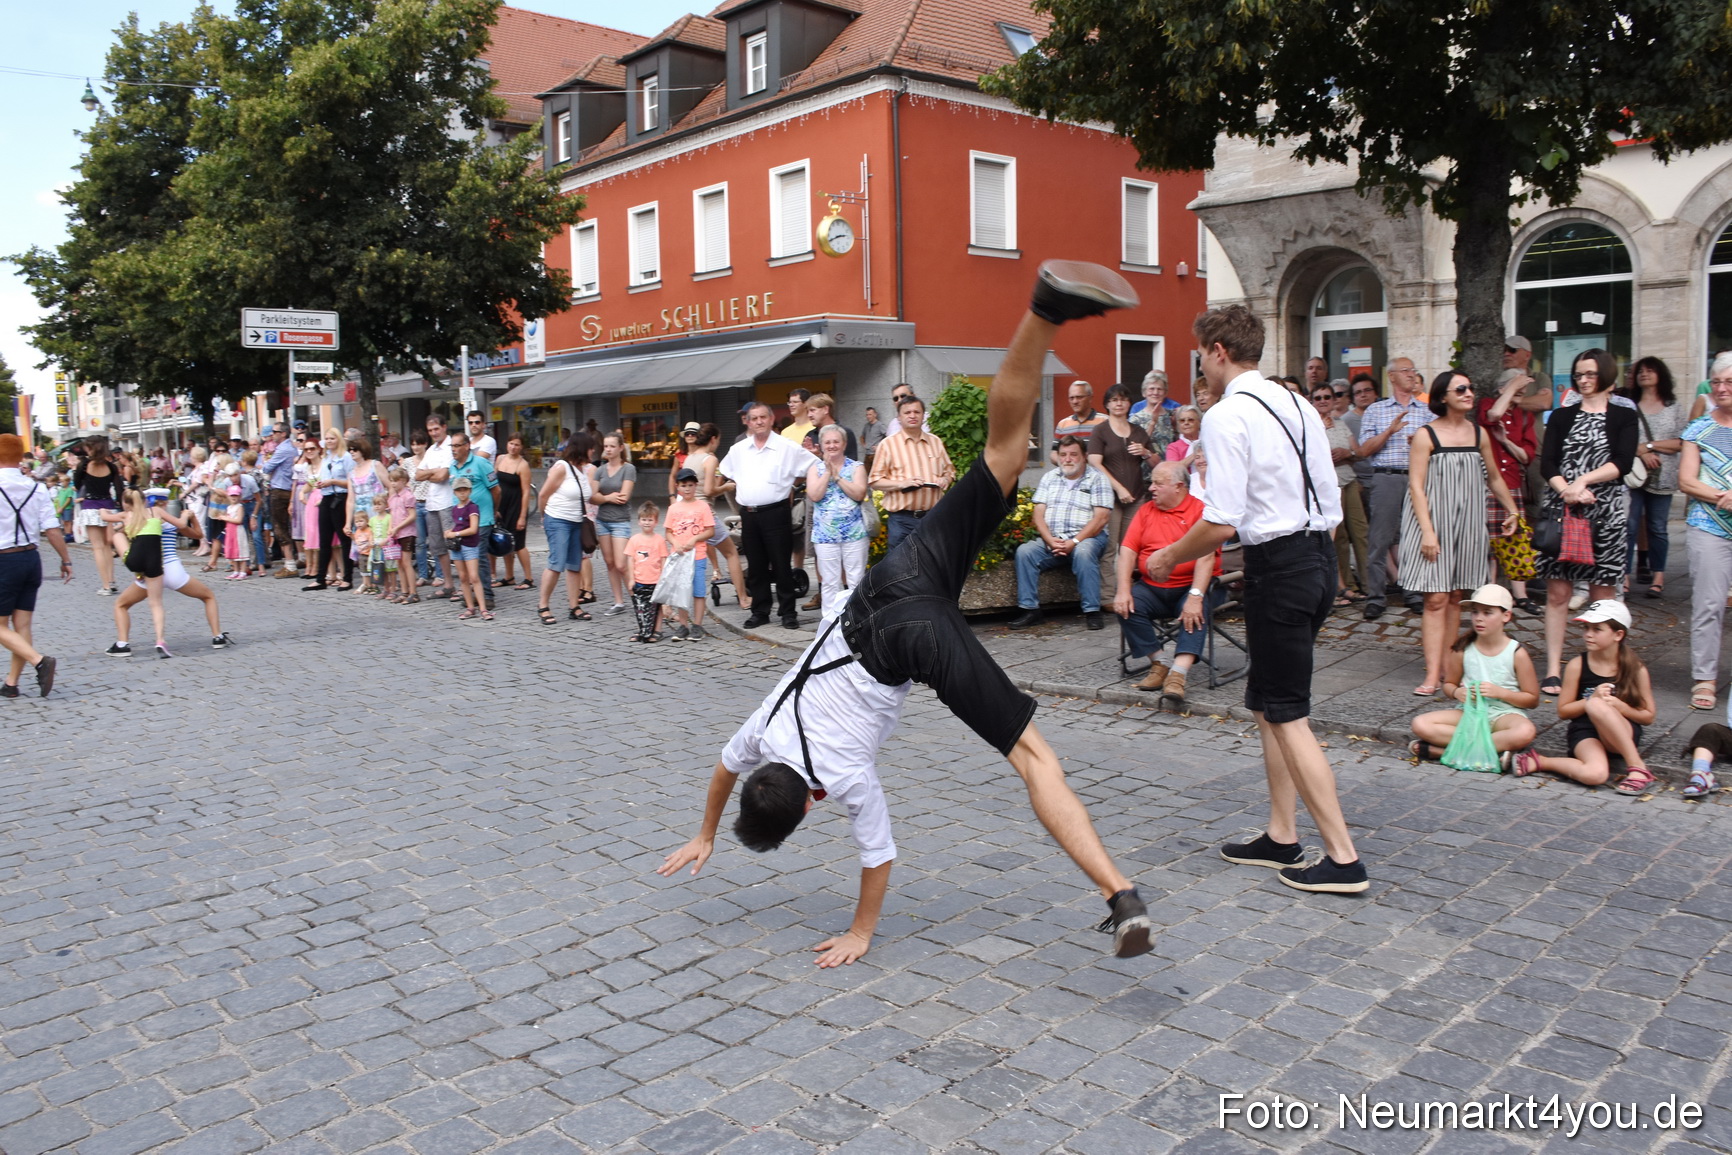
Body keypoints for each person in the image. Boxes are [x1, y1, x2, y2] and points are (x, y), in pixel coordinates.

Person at [658, 259, 1154, 962]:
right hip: (891, 580)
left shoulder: (843, 779)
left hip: (911, 639)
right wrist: (706, 829)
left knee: (1032, 755)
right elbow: (722, 769)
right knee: (1003, 456)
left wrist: (861, 932)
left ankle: (1119, 893)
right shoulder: (760, 734)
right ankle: (1043, 310)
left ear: (808, 805)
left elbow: (879, 857)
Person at [1146, 303, 1366, 894]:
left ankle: (1343, 858)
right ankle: (1281, 834)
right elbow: (1328, 501)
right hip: (1316, 560)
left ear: (1218, 351)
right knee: (1268, 705)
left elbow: (1221, 521)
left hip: (1282, 568)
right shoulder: (1297, 403)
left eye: (1201, 353)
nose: (1200, 365)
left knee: (1288, 713)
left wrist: (1169, 557)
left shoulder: (1226, 415)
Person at [1399, 370, 1521, 696]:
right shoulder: (1426, 435)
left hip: (1468, 521)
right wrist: (1428, 532)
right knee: (1436, 598)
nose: (1469, 393)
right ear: (1443, 397)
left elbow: (1494, 477)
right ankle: (1431, 674)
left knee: (1456, 596)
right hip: (1433, 521)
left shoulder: (1478, 433)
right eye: (1461, 389)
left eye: (1470, 388)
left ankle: (1448, 671)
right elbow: (1416, 486)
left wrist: (1512, 510)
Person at [1535, 348, 1637, 697]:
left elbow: (1622, 462)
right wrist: (1567, 490)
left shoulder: (1624, 415)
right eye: (1578, 374)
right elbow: (1548, 463)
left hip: (1605, 512)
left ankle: (1600, 673)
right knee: (1558, 592)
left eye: (1590, 373)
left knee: (1602, 595)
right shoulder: (1562, 416)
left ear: (1605, 375)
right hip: (1563, 510)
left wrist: (1583, 481)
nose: (1583, 380)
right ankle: (1553, 670)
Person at [1510, 600, 1655, 793]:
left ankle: (1637, 767)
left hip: (1621, 733)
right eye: (1586, 628)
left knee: (1597, 705)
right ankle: (1541, 761)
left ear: (1618, 635)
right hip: (1586, 731)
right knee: (1595, 775)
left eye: (1597, 629)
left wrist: (1621, 707)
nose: (1588, 634)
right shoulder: (1577, 665)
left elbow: (1648, 716)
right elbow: (1563, 711)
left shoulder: (1636, 669)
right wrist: (1590, 699)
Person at [1115, 460, 1221, 704]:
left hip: (1190, 586)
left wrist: (1195, 595)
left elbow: (1206, 558)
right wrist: (1123, 589)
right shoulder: (1146, 511)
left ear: (1179, 486)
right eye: (1151, 482)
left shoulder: (1201, 512)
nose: (1151, 488)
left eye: (1158, 483)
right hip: (1152, 588)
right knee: (1126, 605)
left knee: (1196, 610)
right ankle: (1160, 663)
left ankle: (1178, 675)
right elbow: (1128, 550)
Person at [1408, 585, 1539, 763]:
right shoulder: (1463, 649)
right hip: (1470, 712)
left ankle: (1442, 751)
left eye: (1487, 613)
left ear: (1506, 616)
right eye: (1475, 612)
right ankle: (1492, 752)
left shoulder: (1516, 653)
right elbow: (1449, 684)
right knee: (1420, 724)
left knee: (1525, 732)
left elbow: (1532, 699)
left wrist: (1501, 693)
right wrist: (1457, 692)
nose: (1479, 618)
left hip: (1504, 715)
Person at [720, 403, 818, 629]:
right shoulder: (738, 450)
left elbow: (814, 466)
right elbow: (724, 473)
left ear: (772, 419)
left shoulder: (786, 446)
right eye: (754, 418)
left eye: (763, 417)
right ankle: (760, 611)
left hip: (776, 513)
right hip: (749, 515)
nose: (759, 422)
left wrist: (794, 485)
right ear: (748, 422)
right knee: (756, 567)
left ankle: (788, 612)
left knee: (782, 565)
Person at [108, 490, 232, 658]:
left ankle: (122, 643)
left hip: (148, 571)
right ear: (165, 504)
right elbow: (198, 535)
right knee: (208, 596)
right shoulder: (170, 522)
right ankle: (217, 636)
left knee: (121, 604)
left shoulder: (135, 519)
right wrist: (191, 517)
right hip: (173, 569)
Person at [1009, 435, 1113, 630]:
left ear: (1084, 456)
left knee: (1083, 552)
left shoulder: (1098, 479)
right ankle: (1030, 610)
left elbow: (1101, 519)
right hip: (1053, 540)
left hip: (1087, 538)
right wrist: (1049, 540)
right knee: (1025, 552)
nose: (1068, 459)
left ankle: (1092, 611)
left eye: (1074, 454)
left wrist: (1074, 541)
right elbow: (1038, 514)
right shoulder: (1050, 477)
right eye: (1063, 455)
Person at [1356, 358, 1431, 620]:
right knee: (1380, 539)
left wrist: (1421, 443)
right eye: (1406, 370)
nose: (1412, 374)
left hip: (1418, 479)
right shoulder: (1376, 410)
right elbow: (1364, 450)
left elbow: (1438, 447)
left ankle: (1414, 593)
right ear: (1392, 376)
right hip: (1386, 478)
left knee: (1414, 539)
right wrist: (1390, 431)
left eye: (1413, 370)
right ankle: (1376, 597)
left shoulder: (1427, 411)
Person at [1679, 353, 1732, 712]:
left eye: (1729, 382)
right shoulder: (1697, 429)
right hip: (1708, 525)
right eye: (1717, 382)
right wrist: (1723, 498)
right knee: (1709, 604)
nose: (1722, 388)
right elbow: (1686, 480)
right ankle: (1705, 678)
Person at [0, 434, 69, 697]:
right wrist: (66, 559)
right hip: (31, 559)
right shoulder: (37, 488)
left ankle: (39, 661)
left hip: (4, 560)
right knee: (23, 626)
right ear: (20, 457)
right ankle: (11, 684)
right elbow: (51, 528)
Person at [1477, 369, 1542, 613]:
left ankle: (1521, 596)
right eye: (1516, 388)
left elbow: (1526, 456)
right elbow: (1493, 415)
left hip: (1512, 484)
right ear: (1502, 388)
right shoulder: (1487, 404)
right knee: (1489, 543)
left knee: (1515, 539)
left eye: (1522, 389)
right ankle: (1489, 594)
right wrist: (1513, 385)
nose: (1521, 392)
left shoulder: (1524, 417)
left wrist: (1505, 441)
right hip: (1487, 483)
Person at [1621, 356, 1684, 598]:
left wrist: (1648, 446)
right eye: (1640, 371)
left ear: (1661, 375)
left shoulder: (1673, 406)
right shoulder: (1629, 405)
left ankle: (1658, 577)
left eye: (1650, 370)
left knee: (1658, 527)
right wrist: (1642, 452)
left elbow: (1681, 442)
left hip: (1664, 477)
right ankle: (1624, 577)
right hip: (1634, 475)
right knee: (1629, 526)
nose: (1644, 374)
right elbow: (1623, 440)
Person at [868, 395, 953, 554]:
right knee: (900, 565)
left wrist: (945, 479)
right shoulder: (888, 445)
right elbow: (875, 480)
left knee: (932, 564)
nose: (912, 416)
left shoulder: (935, 442)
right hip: (902, 521)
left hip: (932, 518)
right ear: (899, 417)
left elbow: (950, 471)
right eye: (907, 412)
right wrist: (902, 484)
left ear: (923, 415)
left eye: (917, 412)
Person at [1310, 383, 1368, 602]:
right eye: (1318, 398)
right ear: (1312, 401)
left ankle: (1369, 584)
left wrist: (1347, 453)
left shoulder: (1341, 423)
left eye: (1327, 397)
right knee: (1339, 537)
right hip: (1328, 486)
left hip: (1349, 480)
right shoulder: (1311, 425)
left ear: (1334, 400)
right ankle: (1346, 585)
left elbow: (1359, 452)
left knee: (1361, 532)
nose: (1323, 401)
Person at [806, 425, 870, 616]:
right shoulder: (814, 469)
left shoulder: (856, 467)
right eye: (827, 442)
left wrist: (837, 476)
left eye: (836, 441)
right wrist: (827, 472)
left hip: (855, 533)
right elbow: (814, 495)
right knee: (829, 582)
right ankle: (830, 623)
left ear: (844, 444)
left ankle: (857, 620)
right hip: (825, 535)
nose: (832, 445)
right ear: (821, 445)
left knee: (856, 580)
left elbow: (859, 494)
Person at [689, 424, 749, 611]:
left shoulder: (690, 457)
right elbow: (709, 490)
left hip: (689, 513)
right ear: (713, 439)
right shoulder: (710, 459)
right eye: (718, 440)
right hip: (705, 513)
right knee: (731, 553)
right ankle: (743, 598)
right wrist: (726, 487)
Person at [535, 440, 594, 625]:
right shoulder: (562, 467)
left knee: (575, 565)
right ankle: (543, 606)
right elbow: (543, 494)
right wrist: (544, 517)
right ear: (582, 449)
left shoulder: (583, 470)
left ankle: (574, 606)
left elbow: (589, 496)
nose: (593, 452)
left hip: (576, 522)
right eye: (591, 448)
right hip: (558, 520)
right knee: (556, 563)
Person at [1088, 383, 1154, 547]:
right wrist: (1119, 488)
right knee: (1109, 546)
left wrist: (1145, 452)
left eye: (1123, 400)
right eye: (1114, 400)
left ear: (1129, 403)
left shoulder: (1138, 431)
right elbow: (1094, 463)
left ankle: (1127, 567)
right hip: (1109, 497)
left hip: (1136, 495)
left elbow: (1156, 463)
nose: (1119, 403)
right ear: (1107, 404)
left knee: (1130, 545)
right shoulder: (1100, 430)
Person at [664, 468, 716, 640]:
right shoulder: (673, 508)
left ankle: (698, 625)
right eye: (683, 485)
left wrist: (695, 539)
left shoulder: (703, 506)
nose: (687, 489)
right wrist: (675, 543)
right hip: (679, 556)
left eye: (690, 485)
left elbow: (710, 530)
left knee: (698, 591)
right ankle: (683, 625)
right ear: (677, 487)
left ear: (696, 486)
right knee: (682, 591)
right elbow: (668, 532)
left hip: (697, 555)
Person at [73, 437, 125, 595]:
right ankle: (112, 580)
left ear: (90, 448)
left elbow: (77, 484)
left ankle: (106, 586)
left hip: (90, 506)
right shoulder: (111, 466)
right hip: (108, 506)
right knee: (107, 546)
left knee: (98, 547)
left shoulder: (84, 465)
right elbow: (119, 488)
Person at [592, 434, 637, 617]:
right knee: (610, 563)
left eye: (612, 446)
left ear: (620, 448)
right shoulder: (600, 470)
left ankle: (636, 598)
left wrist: (602, 497)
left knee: (621, 564)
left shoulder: (628, 469)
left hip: (620, 521)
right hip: (602, 520)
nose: (608, 449)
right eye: (606, 446)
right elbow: (591, 497)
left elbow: (624, 497)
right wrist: (609, 497)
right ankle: (618, 602)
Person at [416, 414, 458, 599]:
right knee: (437, 547)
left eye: (436, 429)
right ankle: (448, 584)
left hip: (448, 502)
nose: (433, 433)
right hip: (432, 502)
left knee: (454, 545)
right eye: (430, 430)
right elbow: (418, 475)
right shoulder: (431, 450)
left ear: (444, 427)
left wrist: (430, 473)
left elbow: (443, 476)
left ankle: (464, 585)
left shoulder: (451, 447)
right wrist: (434, 471)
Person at [307, 428, 354, 591]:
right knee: (324, 540)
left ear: (338, 439)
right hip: (326, 497)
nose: (329, 441)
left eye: (332, 438)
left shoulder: (346, 457)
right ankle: (321, 578)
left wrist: (333, 481)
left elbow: (351, 482)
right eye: (327, 439)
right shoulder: (326, 457)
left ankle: (347, 578)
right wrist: (321, 484)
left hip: (340, 498)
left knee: (344, 539)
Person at [493, 435, 534, 590]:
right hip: (501, 506)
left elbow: (526, 492)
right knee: (504, 540)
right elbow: (494, 482)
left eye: (517, 445)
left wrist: (522, 516)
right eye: (511, 443)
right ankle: (509, 576)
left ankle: (528, 578)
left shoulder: (523, 465)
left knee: (519, 544)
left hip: (515, 507)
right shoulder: (500, 459)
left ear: (521, 447)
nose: (513, 447)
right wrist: (495, 507)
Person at [445, 476, 488, 620]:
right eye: (459, 490)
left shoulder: (472, 507)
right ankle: (470, 607)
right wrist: (450, 532)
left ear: (470, 491)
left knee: (474, 577)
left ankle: (483, 608)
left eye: (465, 490)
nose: (462, 493)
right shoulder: (455, 509)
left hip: (469, 545)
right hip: (457, 546)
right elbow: (457, 525)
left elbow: (473, 529)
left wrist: (455, 533)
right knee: (463, 577)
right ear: (454, 492)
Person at [262, 423, 301, 577]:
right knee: (292, 526)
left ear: (283, 433)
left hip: (280, 490)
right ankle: (299, 558)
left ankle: (290, 564)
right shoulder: (291, 448)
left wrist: (266, 462)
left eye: (275, 431)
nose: (273, 434)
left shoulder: (283, 449)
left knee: (280, 527)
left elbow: (266, 468)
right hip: (288, 489)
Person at [626, 502, 669, 643]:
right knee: (640, 607)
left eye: (650, 520)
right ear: (639, 521)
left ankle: (657, 630)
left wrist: (663, 578)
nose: (646, 522)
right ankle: (644, 630)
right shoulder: (634, 540)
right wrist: (631, 579)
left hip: (655, 580)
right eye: (644, 519)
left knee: (657, 607)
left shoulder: (659, 540)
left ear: (656, 522)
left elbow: (663, 559)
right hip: (639, 580)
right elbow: (630, 560)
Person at [384, 467, 417, 603]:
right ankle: (404, 591)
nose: (393, 484)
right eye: (391, 481)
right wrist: (391, 528)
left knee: (406, 562)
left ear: (403, 481)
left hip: (407, 533)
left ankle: (413, 592)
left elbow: (412, 516)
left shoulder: (408, 496)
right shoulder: (393, 497)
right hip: (397, 533)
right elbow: (392, 514)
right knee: (399, 563)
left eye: (395, 481)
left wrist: (397, 527)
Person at [1129, 371, 1178, 458]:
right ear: (1144, 393)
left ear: (1165, 393)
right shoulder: (1135, 419)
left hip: (1169, 464)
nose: (1155, 392)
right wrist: (1153, 422)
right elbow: (1136, 447)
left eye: (1159, 389)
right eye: (1151, 389)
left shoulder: (1172, 415)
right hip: (1145, 465)